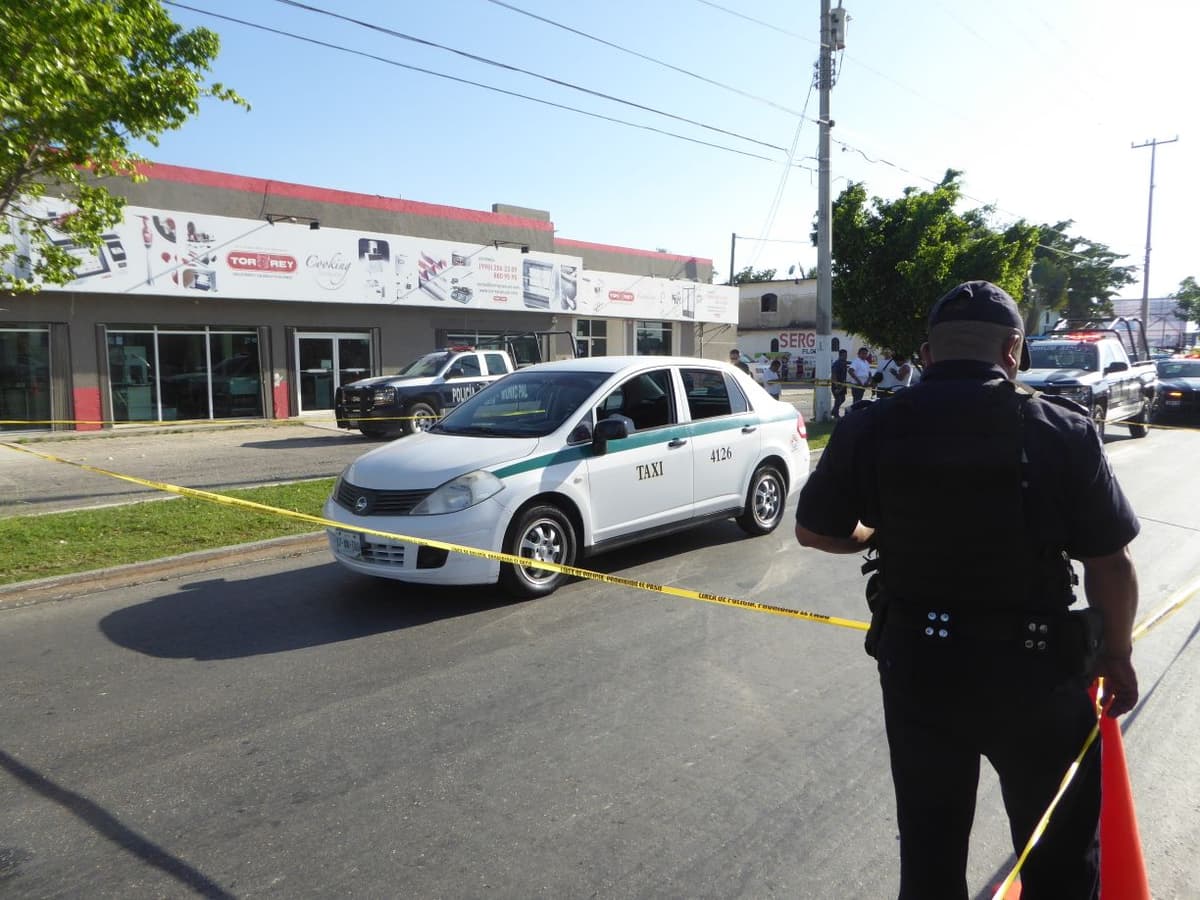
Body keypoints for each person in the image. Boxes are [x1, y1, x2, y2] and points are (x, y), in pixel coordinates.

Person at [793, 280, 1139, 900]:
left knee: (930, 854)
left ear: (927, 354)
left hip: (920, 671)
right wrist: (1116, 653)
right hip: (1036, 676)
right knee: (1058, 858)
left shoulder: (871, 424)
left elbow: (816, 531)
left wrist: (875, 533)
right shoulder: (1059, 428)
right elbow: (1108, 563)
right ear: (1014, 350)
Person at [830, 349, 850, 418]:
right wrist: (836, 386)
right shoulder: (837, 363)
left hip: (843, 384)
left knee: (843, 399)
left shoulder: (843, 362)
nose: (846, 357)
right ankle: (836, 414)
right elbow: (834, 374)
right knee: (838, 399)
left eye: (846, 355)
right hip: (837, 384)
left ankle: (833, 411)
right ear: (840, 355)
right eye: (844, 355)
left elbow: (849, 362)